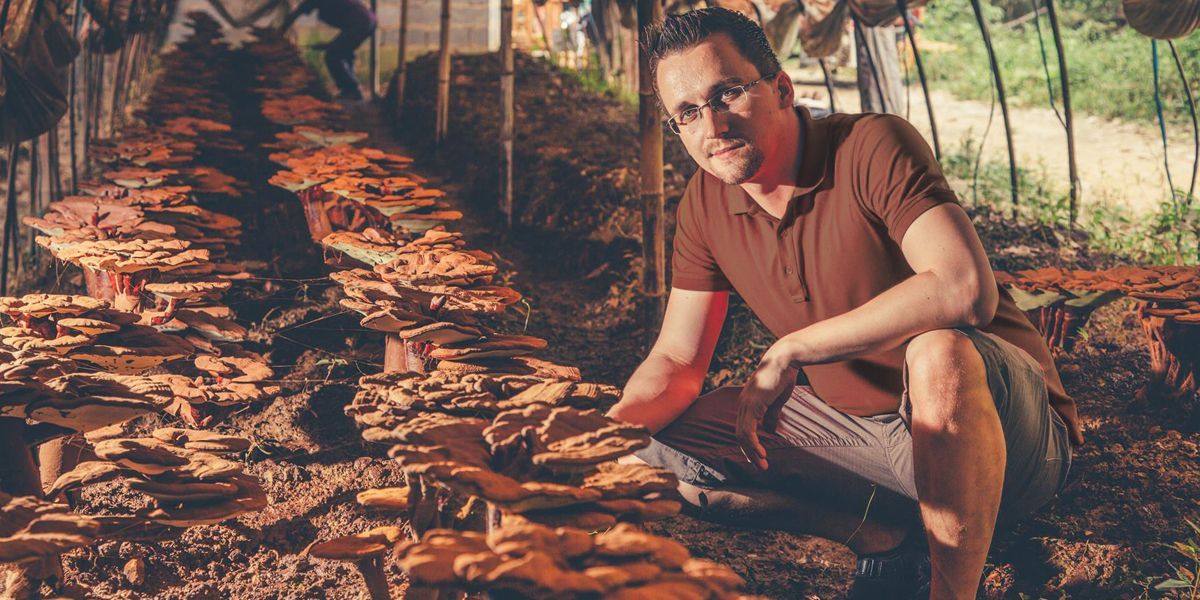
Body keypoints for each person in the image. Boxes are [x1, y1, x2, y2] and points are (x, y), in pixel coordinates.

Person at [607, 8, 1080, 599]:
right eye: (688, 112)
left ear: (781, 87)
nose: (713, 124)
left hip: (1004, 440)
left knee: (938, 352)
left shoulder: (870, 145)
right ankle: (881, 536)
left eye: (728, 92)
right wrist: (595, 445)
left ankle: (951, 592)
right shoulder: (704, 206)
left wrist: (794, 348)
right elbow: (677, 362)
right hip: (866, 440)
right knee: (655, 452)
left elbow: (964, 286)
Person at [281, 0, 377, 100]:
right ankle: (352, 89)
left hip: (360, 22)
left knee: (332, 56)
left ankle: (351, 90)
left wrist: (280, 33)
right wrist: (329, 44)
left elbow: (295, 14)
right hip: (368, 21)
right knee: (344, 52)